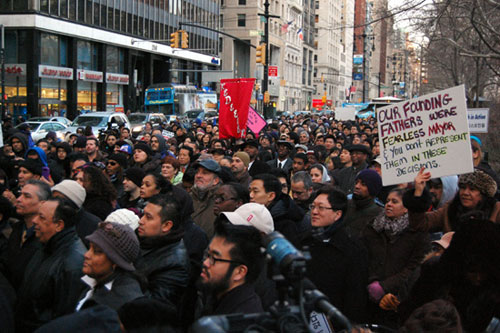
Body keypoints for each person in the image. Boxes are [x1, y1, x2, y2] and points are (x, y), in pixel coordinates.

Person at [361, 188, 430, 328]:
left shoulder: (417, 234)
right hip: (367, 293)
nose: (388, 204)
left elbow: (414, 267)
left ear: (406, 209)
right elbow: (363, 254)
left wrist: (385, 287)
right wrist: (372, 281)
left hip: (396, 299)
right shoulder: (373, 227)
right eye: (387, 201)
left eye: (394, 201)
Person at [15, 198, 87, 331]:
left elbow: (63, 318)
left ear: (59, 225)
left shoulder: (73, 264)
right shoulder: (45, 245)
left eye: (41, 217)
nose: (35, 221)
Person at [301, 186, 368, 323]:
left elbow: (356, 297)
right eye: (312, 206)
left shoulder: (352, 248)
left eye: (321, 208)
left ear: (337, 214)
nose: (314, 212)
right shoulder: (305, 241)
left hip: (335, 320)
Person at [135, 194, 190, 312]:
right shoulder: (140, 239)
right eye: (143, 214)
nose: (141, 221)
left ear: (166, 225)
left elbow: (153, 307)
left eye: (148, 217)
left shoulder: (175, 264)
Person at [197, 222, 264, 316]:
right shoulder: (215, 296)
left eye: (214, 259)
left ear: (240, 272)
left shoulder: (242, 319)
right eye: (207, 255)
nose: (205, 263)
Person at [404, 168, 500, 232]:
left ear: (484, 194)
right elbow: (420, 224)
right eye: (462, 187)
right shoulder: (450, 209)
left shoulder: (496, 211)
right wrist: (418, 192)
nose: (465, 193)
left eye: (472, 189)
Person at [75, 222, 143, 311]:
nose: (87, 255)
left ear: (116, 262)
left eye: (97, 251)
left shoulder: (122, 304)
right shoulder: (93, 281)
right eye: (89, 247)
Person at [0, 180, 50, 290]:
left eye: (26, 196)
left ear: (42, 203)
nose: (18, 199)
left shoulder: (45, 237)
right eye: (20, 194)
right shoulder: (16, 229)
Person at [249, 174, 305, 245]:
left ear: (271, 196)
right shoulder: (253, 212)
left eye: (255, 191)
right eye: (250, 191)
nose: (250, 195)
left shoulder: (286, 223)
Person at [51, 180, 100, 245]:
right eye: (52, 198)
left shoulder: (92, 226)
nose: (53, 203)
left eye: (58, 199)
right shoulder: (49, 215)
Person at [344, 169, 383, 238]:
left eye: (363, 184)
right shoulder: (346, 204)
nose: (357, 186)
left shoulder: (378, 214)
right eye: (356, 182)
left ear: (372, 189)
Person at [190, 159, 222, 238]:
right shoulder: (188, 197)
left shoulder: (221, 202)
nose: (198, 176)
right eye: (197, 172)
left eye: (205, 173)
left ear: (215, 180)